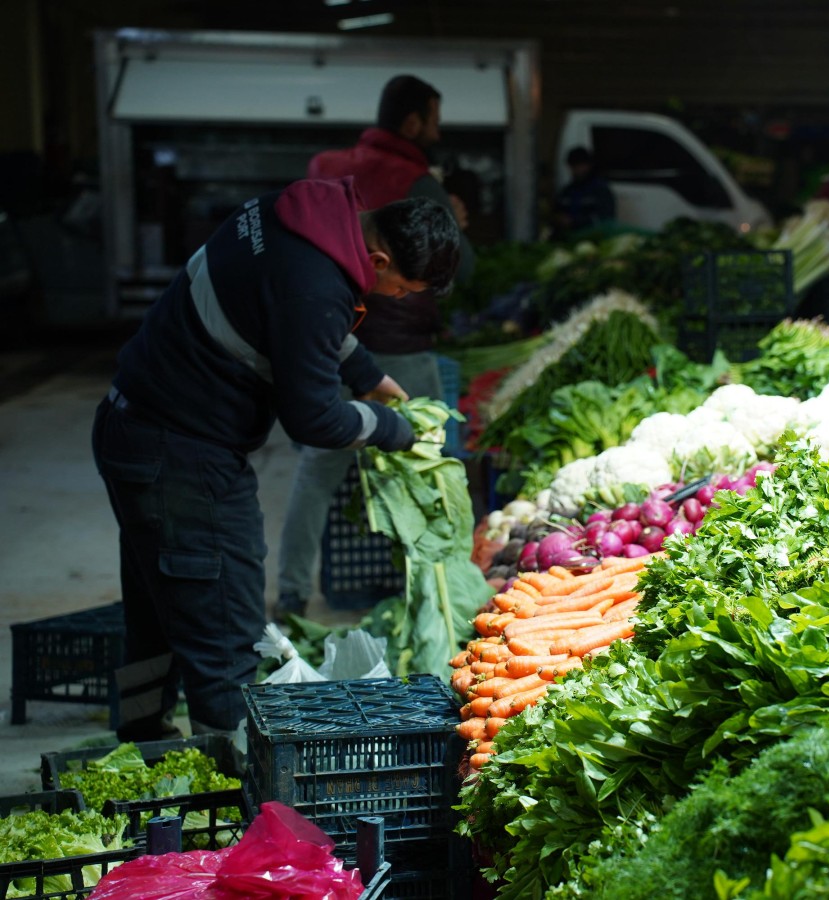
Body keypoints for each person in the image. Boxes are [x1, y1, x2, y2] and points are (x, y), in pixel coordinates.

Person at [92, 178, 461, 741]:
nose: (399, 299)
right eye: (404, 289)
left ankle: (143, 737)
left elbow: (290, 317)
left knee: (158, 608)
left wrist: (366, 374)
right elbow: (313, 418)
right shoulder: (316, 288)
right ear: (379, 258)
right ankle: (235, 777)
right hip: (182, 455)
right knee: (225, 628)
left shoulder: (297, 216)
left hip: (134, 425)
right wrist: (394, 428)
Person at [275, 75, 474, 620]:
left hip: (335, 338)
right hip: (402, 346)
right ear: (413, 123)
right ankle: (433, 589)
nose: (436, 130)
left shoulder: (325, 169)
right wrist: (457, 220)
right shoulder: (418, 181)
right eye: (433, 119)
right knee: (427, 462)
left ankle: (291, 592)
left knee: (318, 472)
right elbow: (463, 266)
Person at [552, 145, 616, 237]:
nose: (576, 169)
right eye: (573, 166)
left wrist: (575, 222)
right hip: (568, 239)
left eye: (580, 165)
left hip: (592, 238)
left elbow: (605, 219)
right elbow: (557, 212)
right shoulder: (567, 191)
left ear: (588, 165)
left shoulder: (600, 190)